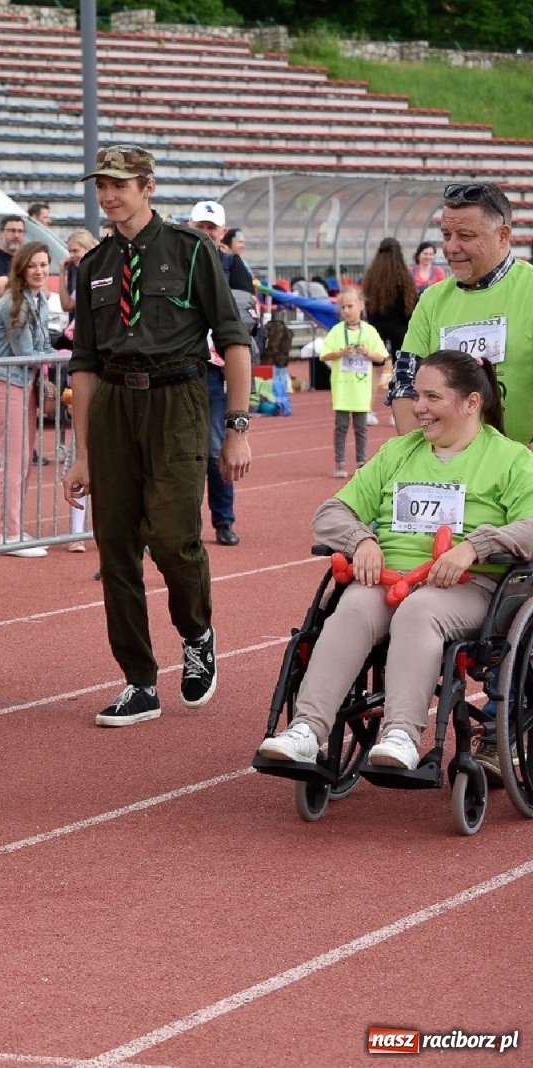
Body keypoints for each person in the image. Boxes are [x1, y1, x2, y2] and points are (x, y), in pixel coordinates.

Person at [258, 350, 533, 771]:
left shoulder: (511, 459)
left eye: (432, 397)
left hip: (466, 588)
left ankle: (401, 734)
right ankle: (306, 731)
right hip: (388, 579)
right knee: (351, 608)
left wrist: (475, 546)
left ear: (472, 402)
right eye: (417, 395)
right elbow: (330, 513)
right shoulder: (397, 453)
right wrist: (362, 540)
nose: (417, 407)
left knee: (419, 612)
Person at [62, 145, 254, 727]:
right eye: (101, 186)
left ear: (148, 186)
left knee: (172, 537)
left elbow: (234, 340)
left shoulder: (192, 251)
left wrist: (238, 428)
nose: (108, 195)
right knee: (115, 548)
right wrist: (83, 453)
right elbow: (85, 364)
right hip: (115, 403)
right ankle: (138, 679)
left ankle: (196, 633)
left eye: (119, 184)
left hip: (177, 399)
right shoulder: (93, 263)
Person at [389, 183, 533, 448]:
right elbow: (405, 383)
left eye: (465, 236)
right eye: (446, 235)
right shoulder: (432, 300)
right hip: (449, 469)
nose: (451, 247)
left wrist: (521, 468)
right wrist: (420, 456)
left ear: (502, 236)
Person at [188, 200, 253, 547]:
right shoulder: (178, 261)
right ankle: (180, 523)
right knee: (176, 452)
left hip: (214, 370)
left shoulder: (233, 265)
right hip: (180, 367)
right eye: (201, 225)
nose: (207, 232)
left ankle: (223, 521)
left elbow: (246, 319)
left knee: (216, 449)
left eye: (212, 227)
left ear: (222, 232)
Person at [0, 242, 55, 558]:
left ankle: (15, 528)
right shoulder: (15, 302)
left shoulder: (39, 300)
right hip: (6, 383)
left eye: (44, 265)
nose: (40, 271)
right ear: (22, 269)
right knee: (13, 460)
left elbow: (40, 347)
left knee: (24, 459)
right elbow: (26, 352)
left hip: (23, 384)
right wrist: (65, 356)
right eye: (34, 266)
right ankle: (9, 534)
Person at [323, 288, 388, 478]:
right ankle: (340, 462)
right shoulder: (336, 331)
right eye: (343, 307)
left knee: (361, 428)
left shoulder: (369, 331)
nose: (347, 311)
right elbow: (324, 354)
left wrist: (367, 352)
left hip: (361, 390)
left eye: (350, 306)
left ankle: (361, 461)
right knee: (341, 427)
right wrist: (340, 353)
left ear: (361, 306)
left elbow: (381, 357)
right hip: (342, 389)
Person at [361, 237, 418, 359]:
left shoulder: (372, 276)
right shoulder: (403, 276)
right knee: (400, 363)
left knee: (377, 362)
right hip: (400, 327)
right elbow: (409, 304)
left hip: (377, 324)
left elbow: (368, 303)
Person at [57, 229, 96, 320]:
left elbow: (68, 305)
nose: (71, 256)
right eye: (70, 251)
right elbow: (66, 306)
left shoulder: (98, 270)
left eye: (75, 251)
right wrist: (62, 272)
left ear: (88, 249)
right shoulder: (75, 270)